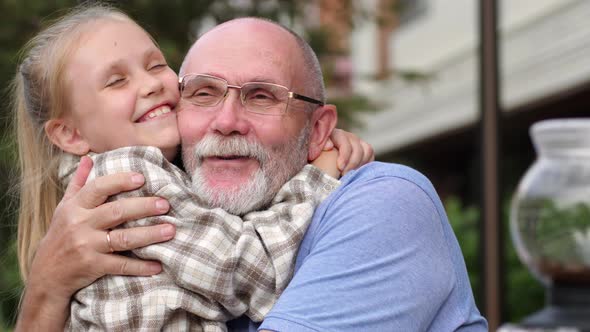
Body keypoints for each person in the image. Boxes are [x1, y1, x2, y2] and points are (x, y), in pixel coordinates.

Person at [16, 10, 488, 332]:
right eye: (202, 93)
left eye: (262, 97)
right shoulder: (134, 193)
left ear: (319, 127)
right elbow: (251, 271)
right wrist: (44, 289)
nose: (226, 122)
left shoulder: (386, 206)